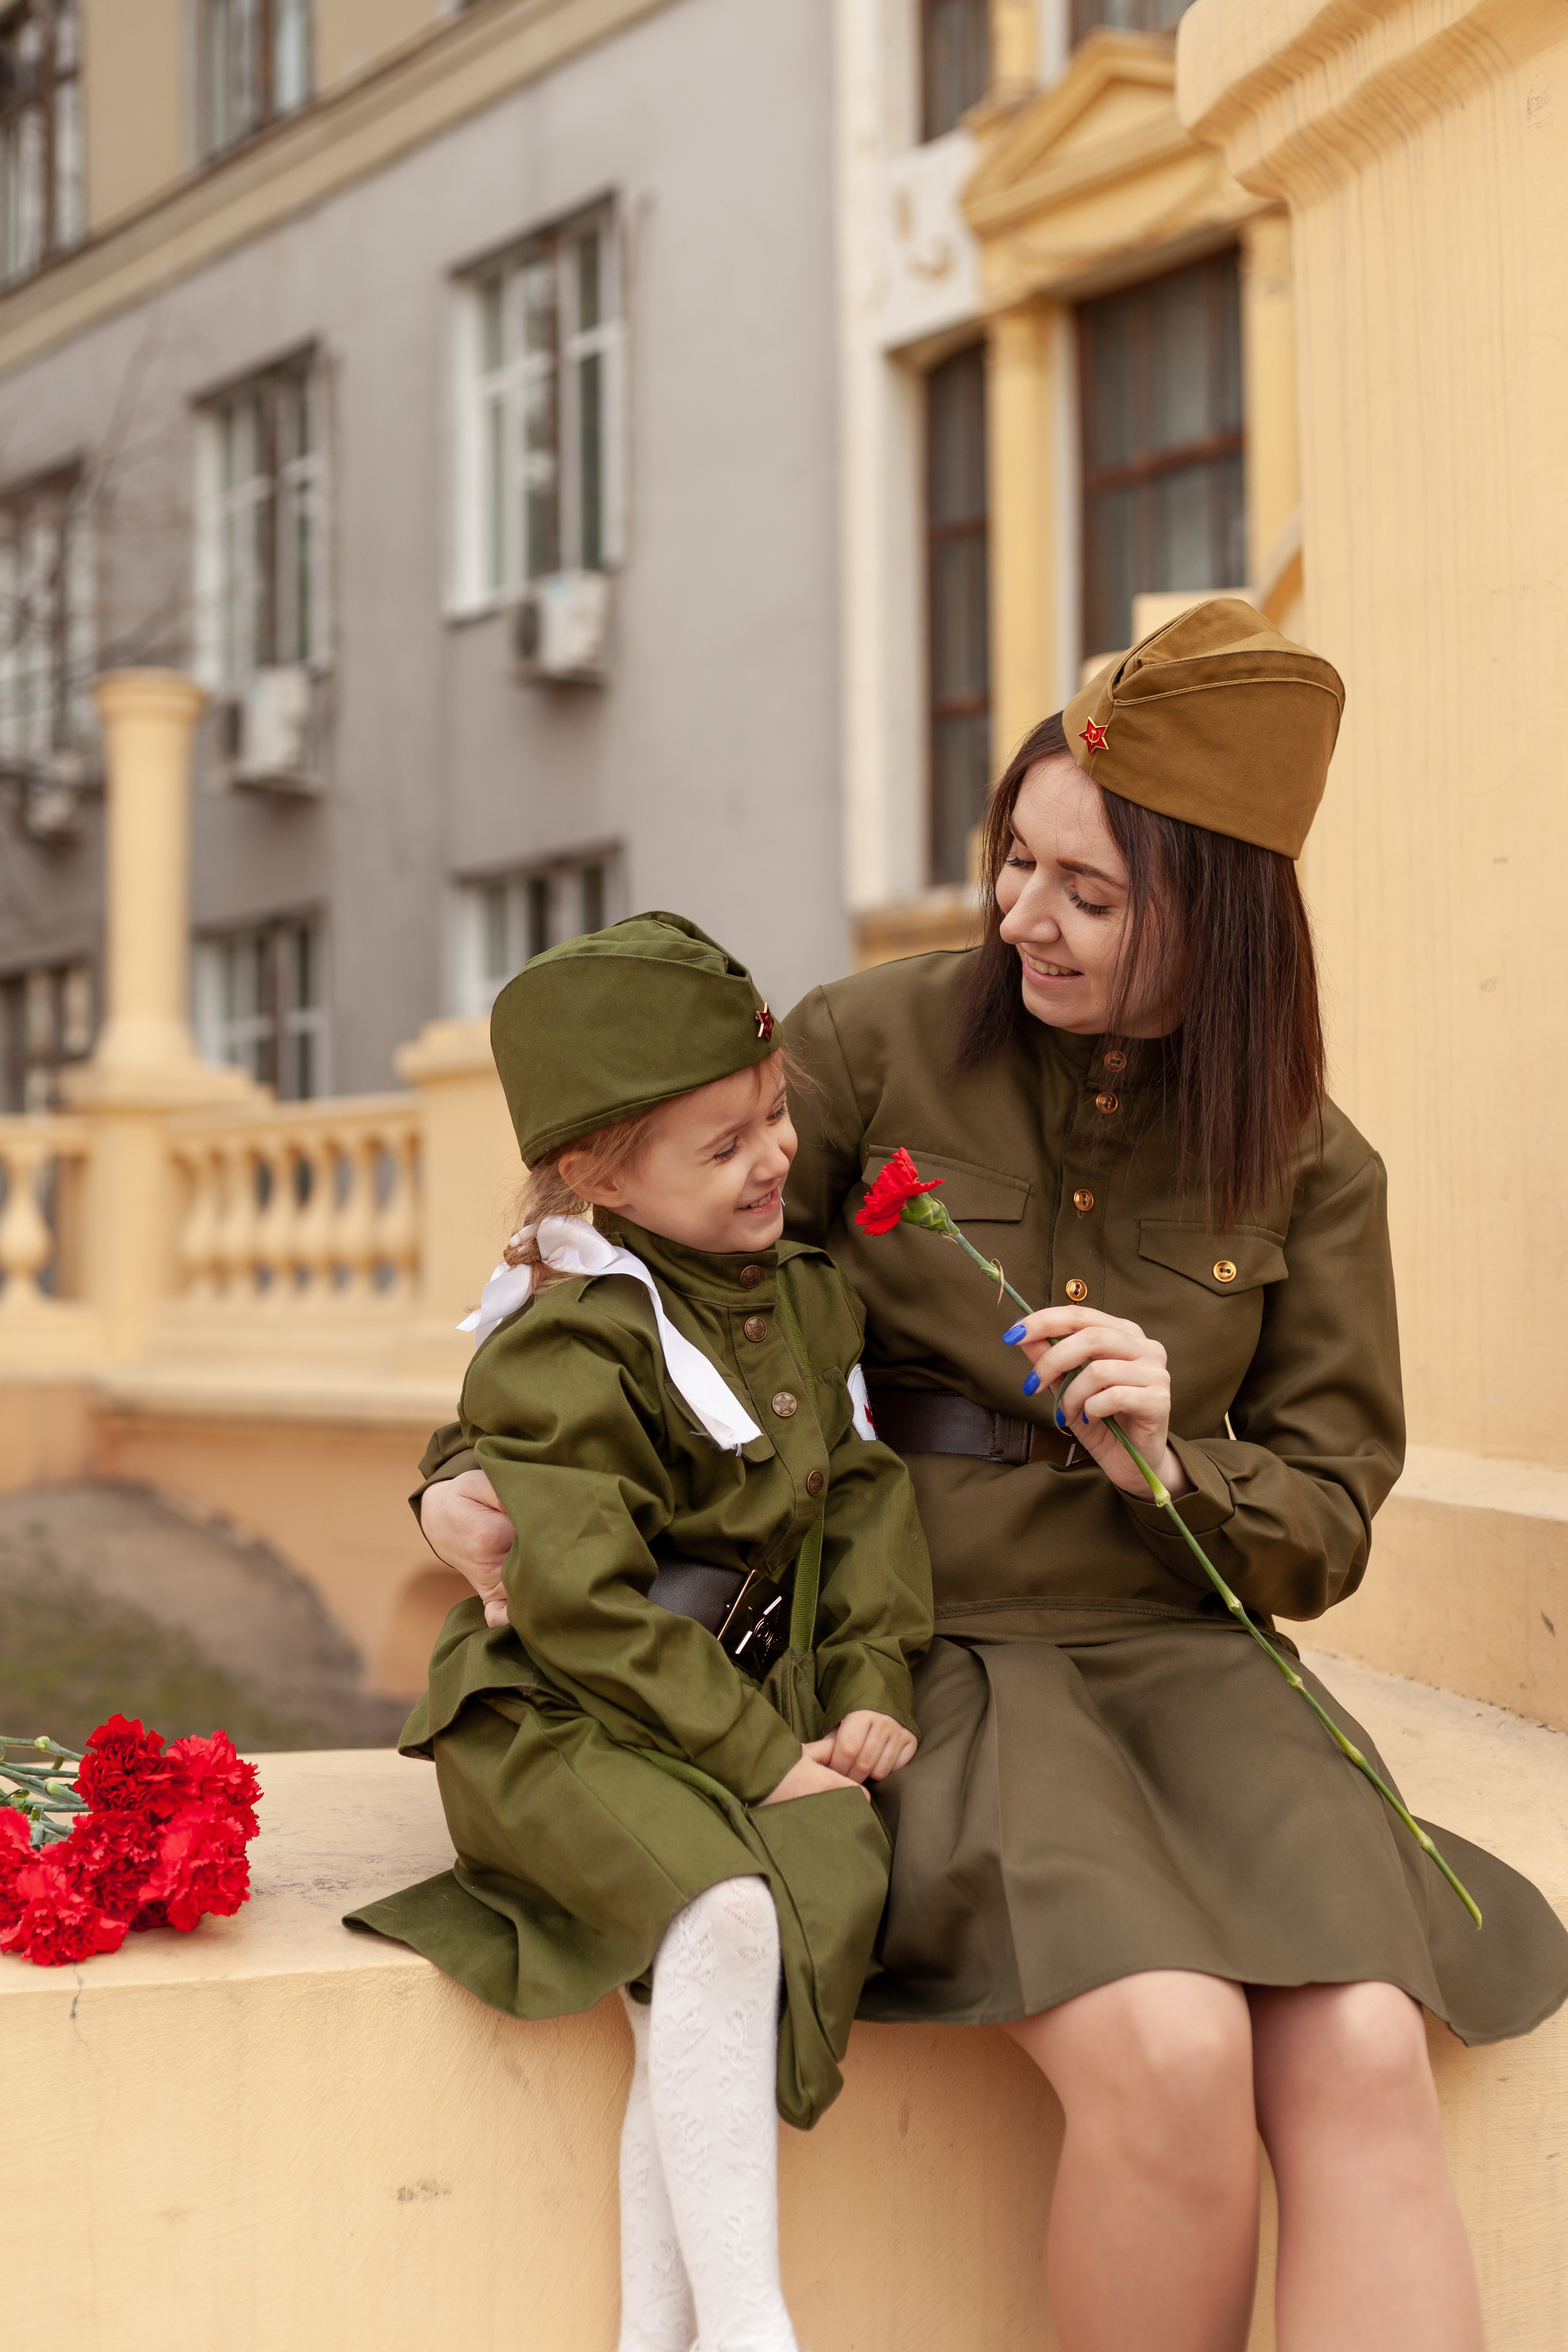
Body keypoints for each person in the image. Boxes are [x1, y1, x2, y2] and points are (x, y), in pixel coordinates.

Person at [418, 602, 1568, 2352]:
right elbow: (615, 1273)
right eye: (1017, 859)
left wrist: (1177, 1449)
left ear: (1224, 924)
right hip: (928, 1642)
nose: (1025, 916)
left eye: (1090, 895)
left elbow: (1327, 1517)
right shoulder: (868, 1046)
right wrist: (458, 1475)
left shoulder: (1316, 1163)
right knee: (1172, 2047)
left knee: (1357, 2045)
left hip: (1189, 1654)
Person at [349, 912, 933, 2352]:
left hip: (720, 1707)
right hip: (560, 1710)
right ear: (597, 1176)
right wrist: (761, 1754)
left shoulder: (799, 1296)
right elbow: (580, 1603)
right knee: (726, 1913)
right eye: (722, 1146)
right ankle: (753, 2330)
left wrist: (858, 1680)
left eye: (774, 1113)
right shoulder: (570, 1337)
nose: (773, 1158)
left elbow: (857, 1502)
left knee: (728, 1947)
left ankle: (664, 2339)